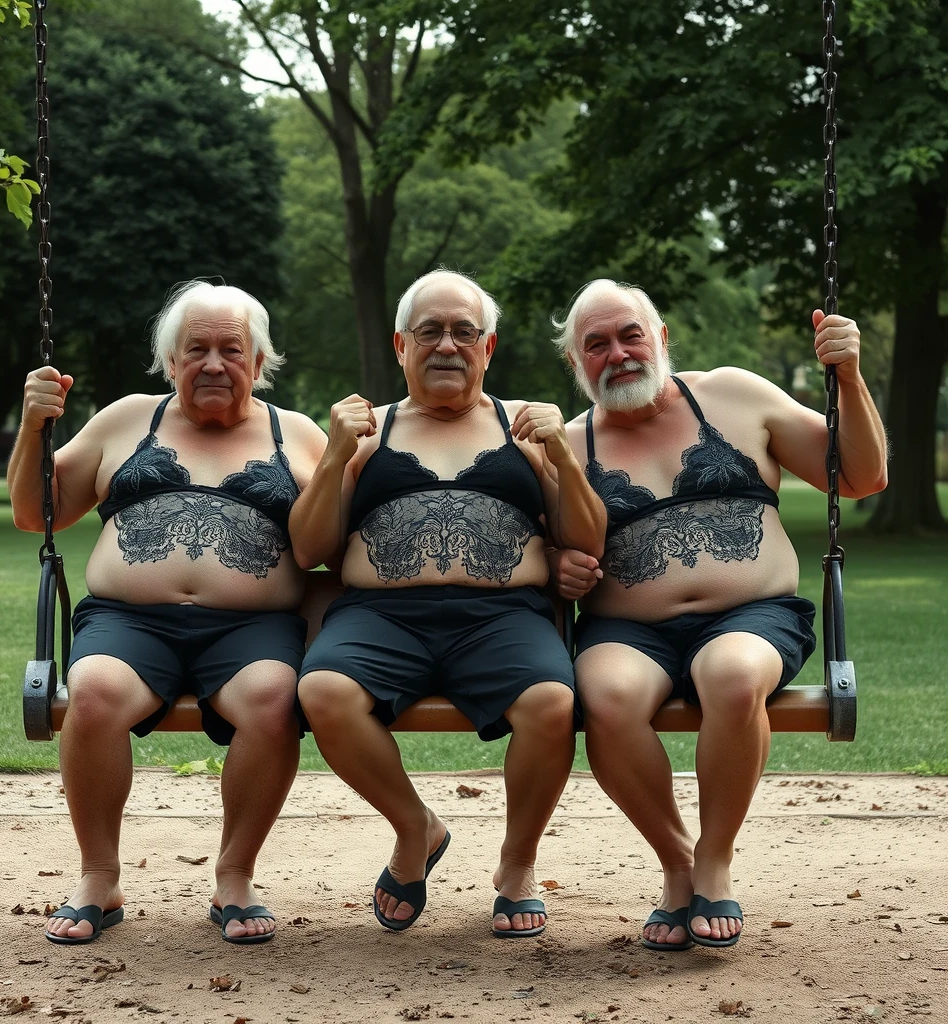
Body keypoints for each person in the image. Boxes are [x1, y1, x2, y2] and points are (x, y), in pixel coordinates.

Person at [549, 279, 887, 950]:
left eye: (630, 335)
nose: (617, 354)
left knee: (732, 676)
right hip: (627, 630)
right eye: (596, 345)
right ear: (576, 364)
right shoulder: (565, 445)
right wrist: (560, 568)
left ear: (663, 337)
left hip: (753, 616)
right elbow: (539, 551)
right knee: (606, 698)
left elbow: (861, 476)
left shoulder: (735, 395)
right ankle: (677, 864)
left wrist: (847, 374)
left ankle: (715, 858)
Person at [8, 281, 328, 946]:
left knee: (273, 700)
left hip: (253, 630)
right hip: (130, 622)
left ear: (260, 361)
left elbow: (341, 539)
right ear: (172, 361)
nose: (214, 363)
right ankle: (100, 876)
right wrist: (34, 425)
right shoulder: (125, 420)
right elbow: (34, 510)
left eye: (231, 350)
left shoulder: (297, 435)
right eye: (197, 349)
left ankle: (235, 876)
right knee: (92, 694)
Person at [290, 270, 606, 938]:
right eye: (430, 331)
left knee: (552, 703)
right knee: (322, 691)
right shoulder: (366, 431)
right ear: (402, 345)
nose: (447, 345)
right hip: (379, 619)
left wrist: (563, 458)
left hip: (503, 619)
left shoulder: (525, 426)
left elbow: (586, 537)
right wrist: (334, 457)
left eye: (465, 331)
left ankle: (517, 864)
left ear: (487, 349)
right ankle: (416, 829)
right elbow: (309, 549)